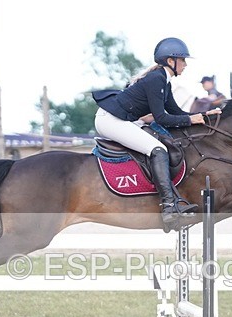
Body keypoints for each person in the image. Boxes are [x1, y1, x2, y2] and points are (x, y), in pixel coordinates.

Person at [91, 37, 221, 231]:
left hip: (121, 119)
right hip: (110, 120)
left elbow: (177, 113)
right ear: (171, 61)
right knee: (158, 149)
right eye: (183, 60)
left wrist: (202, 116)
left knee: (159, 144)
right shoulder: (156, 78)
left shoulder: (164, 81)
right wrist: (190, 120)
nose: (185, 65)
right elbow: (161, 118)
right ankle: (169, 206)